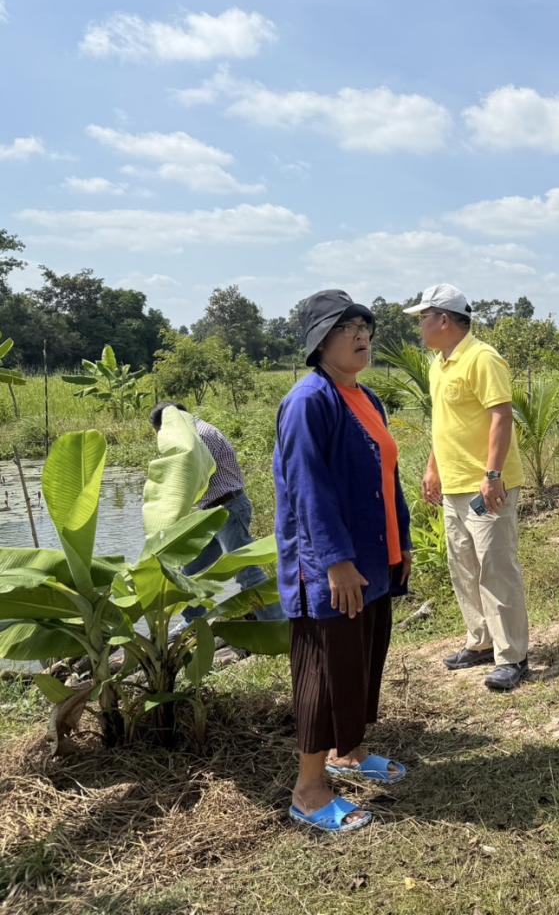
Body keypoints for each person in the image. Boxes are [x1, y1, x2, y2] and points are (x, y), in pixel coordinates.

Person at [274, 289, 413, 833]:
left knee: (360, 659)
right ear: (319, 341)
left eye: (364, 326)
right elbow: (308, 490)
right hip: (329, 566)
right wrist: (334, 562)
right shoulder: (310, 401)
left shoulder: (366, 398)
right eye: (345, 328)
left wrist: (400, 547)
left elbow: (385, 478)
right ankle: (309, 791)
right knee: (324, 671)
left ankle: (347, 752)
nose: (361, 336)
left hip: (373, 559)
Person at [407, 283, 530, 691]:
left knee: (496, 567)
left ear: (444, 319)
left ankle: (512, 656)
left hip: (485, 487)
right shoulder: (439, 364)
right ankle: (480, 642)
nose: (420, 326)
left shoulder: (482, 358)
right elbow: (444, 423)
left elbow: (501, 416)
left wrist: (492, 474)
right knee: (463, 565)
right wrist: (432, 468)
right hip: (455, 486)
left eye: (423, 318)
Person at [148, 403, 280, 621]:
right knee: (189, 574)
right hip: (211, 513)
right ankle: (196, 626)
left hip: (228, 508)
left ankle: (277, 623)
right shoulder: (195, 433)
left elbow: (193, 477)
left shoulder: (198, 437)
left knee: (246, 571)